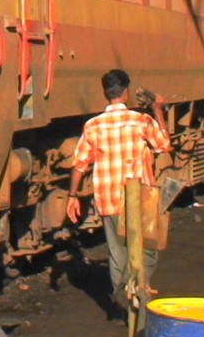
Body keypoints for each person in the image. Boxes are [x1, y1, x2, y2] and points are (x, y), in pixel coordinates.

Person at [65, 69, 172, 318]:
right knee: (148, 249)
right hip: (141, 198)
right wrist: (157, 109)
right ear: (125, 93)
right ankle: (138, 288)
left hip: (108, 197)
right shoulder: (140, 121)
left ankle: (123, 298)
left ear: (106, 93)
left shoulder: (92, 126)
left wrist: (72, 197)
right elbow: (164, 145)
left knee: (117, 252)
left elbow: (79, 165)